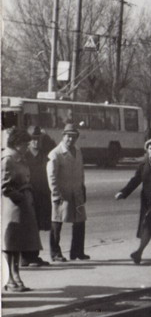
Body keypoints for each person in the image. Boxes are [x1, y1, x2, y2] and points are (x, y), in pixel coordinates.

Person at [2, 128, 42, 291]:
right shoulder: (8, 159)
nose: (28, 146)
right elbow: (4, 186)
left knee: (17, 243)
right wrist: (21, 196)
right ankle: (9, 279)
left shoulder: (20, 157)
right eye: (25, 144)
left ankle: (16, 275)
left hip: (21, 205)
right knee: (9, 244)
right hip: (11, 206)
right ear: (17, 144)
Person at [47, 123, 88, 262]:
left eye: (74, 137)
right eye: (68, 136)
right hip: (62, 194)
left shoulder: (78, 150)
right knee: (57, 223)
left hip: (77, 192)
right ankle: (55, 253)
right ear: (63, 136)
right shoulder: (55, 154)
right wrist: (56, 193)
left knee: (80, 222)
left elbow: (81, 170)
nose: (71, 140)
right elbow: (51, 177)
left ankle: (77, 252)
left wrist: (83, 187)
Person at [22, 127, 53, 267]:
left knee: (37, 226)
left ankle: (33, 256)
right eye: (32, 139)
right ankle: (25, 257)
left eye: (38, 139)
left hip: (42, 196)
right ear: (28, 141)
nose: (35, 142)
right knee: (28, 226)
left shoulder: (44, 155)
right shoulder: (24, 156)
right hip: (28, 196)